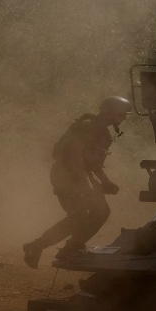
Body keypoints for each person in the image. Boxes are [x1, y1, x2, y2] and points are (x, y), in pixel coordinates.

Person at [22, 96, 131, 269]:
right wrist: (85, 184)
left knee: (101, 212)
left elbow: (92, 162)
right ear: (109, 112)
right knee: (79, 215)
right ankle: (36, 246)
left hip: (80, 174)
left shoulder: (103, 132)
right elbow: (75, 156)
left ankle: (72, 248)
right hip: (65, 174)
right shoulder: (87, 127)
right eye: (122, 114)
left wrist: (105, 181)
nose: (124, 118)